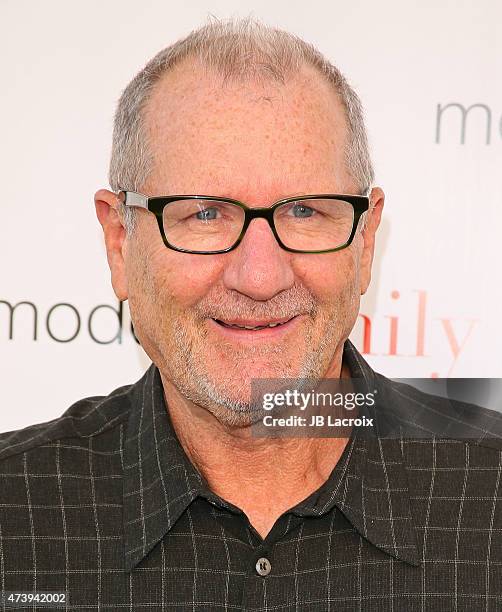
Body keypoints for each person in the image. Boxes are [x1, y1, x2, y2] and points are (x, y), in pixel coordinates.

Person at [1, 18, 501, 612]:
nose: (261, 278)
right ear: (119, 242)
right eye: (206, 215)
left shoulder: (489, 490)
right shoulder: (15, 511)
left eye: (304, 213)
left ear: (365, 242)